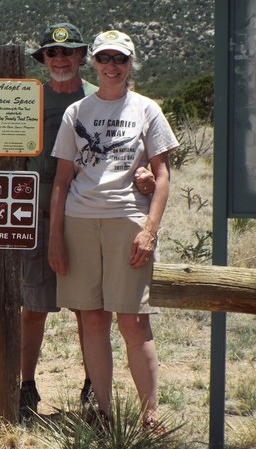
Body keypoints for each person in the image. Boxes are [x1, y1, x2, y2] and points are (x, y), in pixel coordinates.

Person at [20, 23, 156, 420]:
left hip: (81, 216)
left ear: (83, 58)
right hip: (37, 213)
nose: (59, 59)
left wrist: (144, 173)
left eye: (68, 52)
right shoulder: (29, 99)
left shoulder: (97, 98)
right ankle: (27, 385)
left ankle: (92, 387)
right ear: (44, 60)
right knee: (33, 305)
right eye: (51, 53)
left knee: (88, 310)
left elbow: (129, 151)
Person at [48, 30, 178, 429]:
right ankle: (103, 412)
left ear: (130, 64)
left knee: (134, 321)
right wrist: (55, 237)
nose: (112, 66)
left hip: (128, 223)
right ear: (95, 64)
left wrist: (150, 230)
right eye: (104, 59)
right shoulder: (77, 113)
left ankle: (149, 414)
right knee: (92, 319)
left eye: (119, 60)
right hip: (80, 222)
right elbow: (62, 179)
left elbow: (162, 174)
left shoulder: (146, 109)